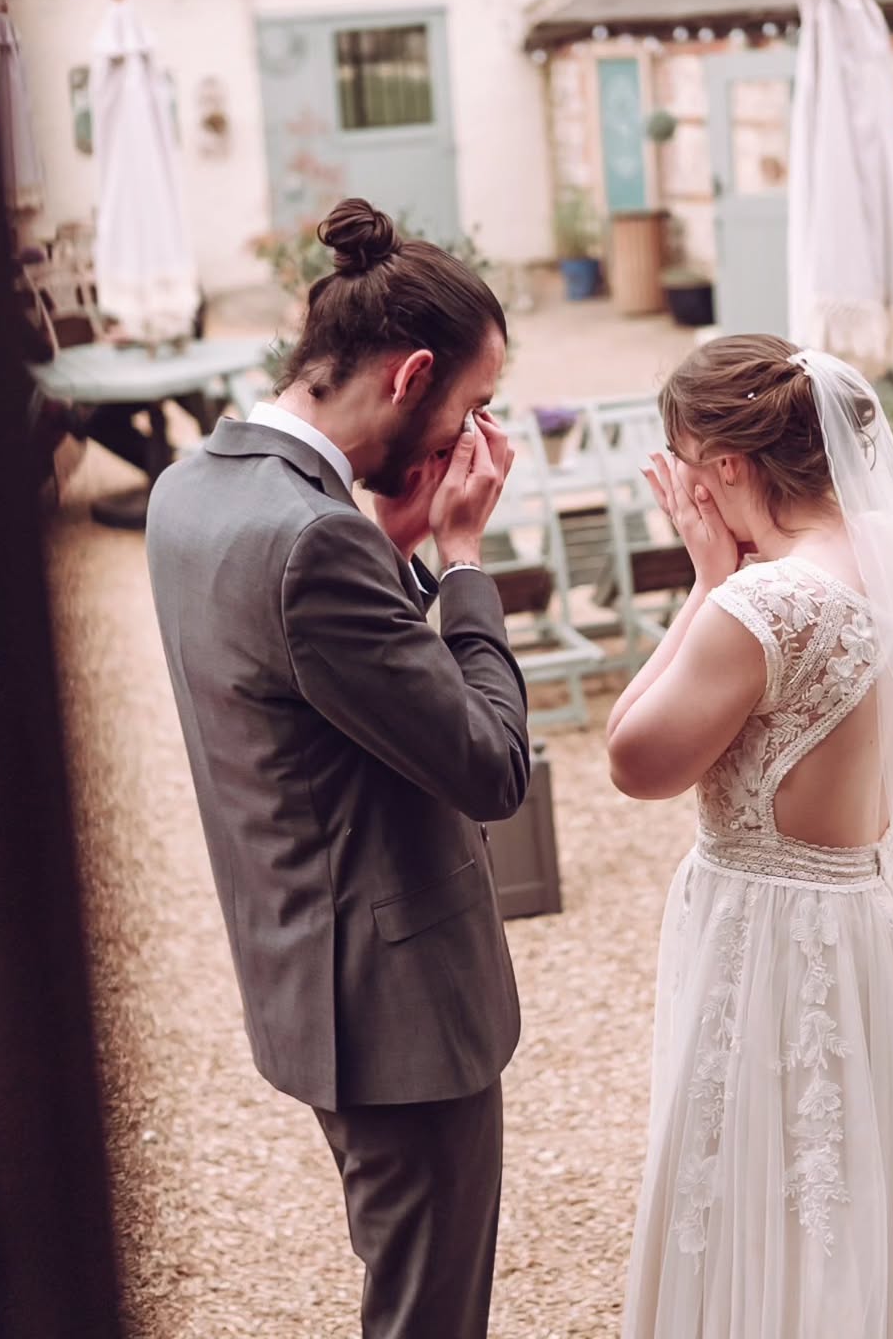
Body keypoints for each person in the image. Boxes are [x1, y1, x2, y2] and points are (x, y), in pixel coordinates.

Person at [609, 335, 893, 1338]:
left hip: (767, 935)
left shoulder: (762, 605)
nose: (686, 493)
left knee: (753, 1188)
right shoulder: (889, 547)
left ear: (726, 466)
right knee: (857, 1183)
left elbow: (634, 759)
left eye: (688, 468)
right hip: (861, 919)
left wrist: (701, 582)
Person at [145, 199, 530, 1339]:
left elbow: (314, 692)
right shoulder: (318, 540)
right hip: (396, 1013)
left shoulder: (194, 488)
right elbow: (492, 764)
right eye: (474, 405)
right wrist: (460, 564)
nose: (474, 435)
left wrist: (395, 547)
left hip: (305, 976)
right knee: (427, 1318)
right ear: (413, 375)